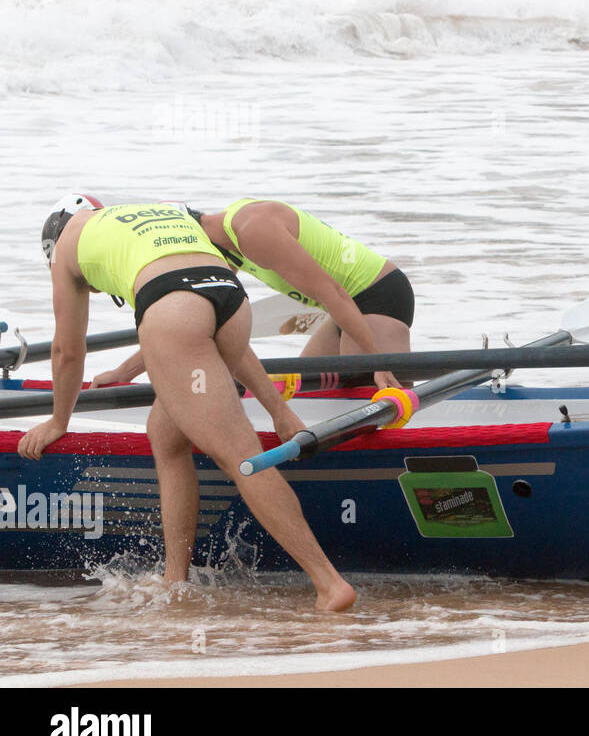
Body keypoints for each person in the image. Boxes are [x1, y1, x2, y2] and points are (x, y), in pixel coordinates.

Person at [20, 196, 355, 610]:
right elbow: (202, 331)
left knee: (240, 454)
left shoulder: (66, 246)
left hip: (175, 310)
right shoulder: (142, 215)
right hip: (231, 300)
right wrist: (278, 410)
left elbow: (67, 352)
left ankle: (329, 584)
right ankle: (175, 579)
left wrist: (58, 420)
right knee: (165, 433)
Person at [95, 199, 413, 393]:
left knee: (365, 388)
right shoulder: (226, 247)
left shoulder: (253, 230)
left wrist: (380, 362)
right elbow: (192, 329)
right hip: (345, 308)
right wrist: (124, 374)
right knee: (307, 392)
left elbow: (334, 293)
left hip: (377, 295)